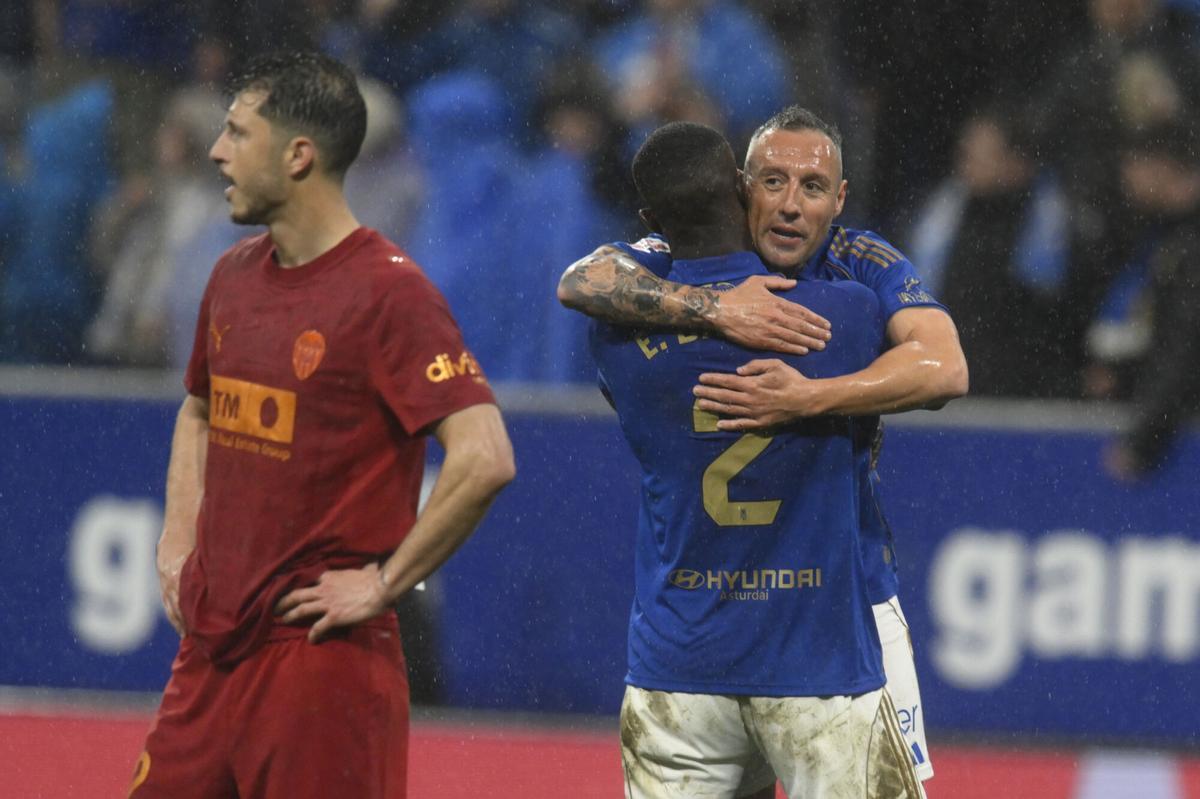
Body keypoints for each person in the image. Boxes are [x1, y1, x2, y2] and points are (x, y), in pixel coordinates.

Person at [130, 51, 515, 799]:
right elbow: (199, 409)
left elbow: (486, 456)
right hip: (212, 651)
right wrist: (177, 538)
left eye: (238, 133)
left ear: (299, 155)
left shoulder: (391, 294)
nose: (217, 152)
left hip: (320, 662)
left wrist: (383, 583)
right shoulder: (232, 274)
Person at [560, 106, 966, 788]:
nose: (791, 204)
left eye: (813, 187)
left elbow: (947, 367)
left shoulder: (859, 259)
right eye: (773, 181)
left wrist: (808, 396)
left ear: (840, 200)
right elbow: (577, 279)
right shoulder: (848, 309)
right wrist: (719, 307)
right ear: (741, 188)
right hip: (799, 643)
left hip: (853, 599)